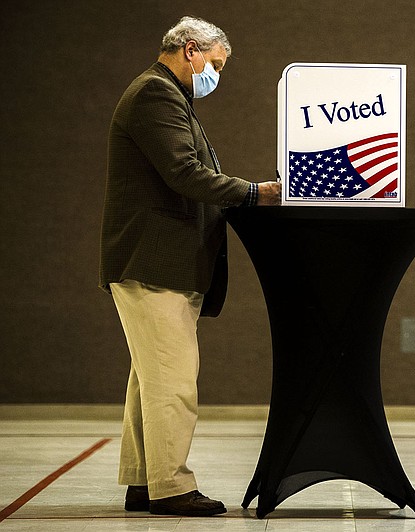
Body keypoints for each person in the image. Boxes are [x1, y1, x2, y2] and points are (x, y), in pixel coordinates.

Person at [99, 16, 280, 517]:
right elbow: (185, 173)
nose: (215, 75)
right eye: (215, 64)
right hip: (154, 261)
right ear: (191, 49)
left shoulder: (171, 97)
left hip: (159, 261)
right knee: (175, 381)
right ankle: (172, 486)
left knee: (150, 380)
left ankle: (144, 481)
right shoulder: (155, 94)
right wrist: (254, 193)